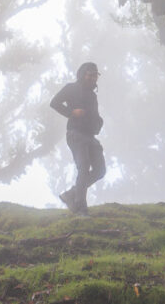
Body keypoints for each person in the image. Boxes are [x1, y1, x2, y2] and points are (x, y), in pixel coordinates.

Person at [50, 61, 106, 215]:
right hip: (75, 134)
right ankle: (80, 207)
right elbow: (54, 103)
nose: (93, 78)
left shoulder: (92, 95)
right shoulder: (71, 88)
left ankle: (71, 194)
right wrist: (71, 112)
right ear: (83, 74)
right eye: (90, 75)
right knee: (84, 167)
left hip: (90, 136)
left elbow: (95, 114)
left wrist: (99, 122)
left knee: (100, 170)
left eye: (95, 75)